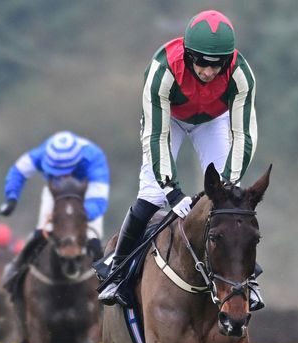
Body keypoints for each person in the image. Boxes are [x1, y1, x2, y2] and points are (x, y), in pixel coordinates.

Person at [97, 10, 265, 310]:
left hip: (213, 120)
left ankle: (247, 279)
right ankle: (117, 273)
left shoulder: (241, 75)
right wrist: (172, 190)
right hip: (168, 120)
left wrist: (228, 180)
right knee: (151, 196)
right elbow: (155, 135)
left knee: (230, 197)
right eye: (201, 63)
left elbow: (244, 135)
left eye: (217, 66)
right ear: (189, 56)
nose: (208, 72)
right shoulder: (162, 71)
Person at [0, 130, 110, 286]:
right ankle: (17, 269)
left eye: (66, 173)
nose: (62, 177)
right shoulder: (42, 153)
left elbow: (98, 202)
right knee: (40, 233)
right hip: (56, 194)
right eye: (57, 173)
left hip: (86, 195)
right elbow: (18, 171)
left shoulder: (94, 157)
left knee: (93, 240)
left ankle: (106, 280)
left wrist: (72, 218)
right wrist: (11, 197)